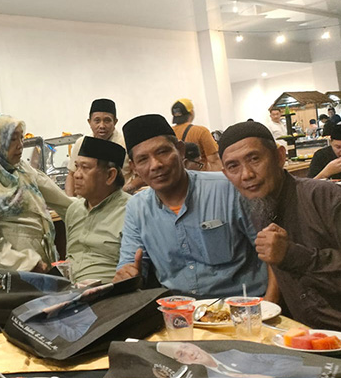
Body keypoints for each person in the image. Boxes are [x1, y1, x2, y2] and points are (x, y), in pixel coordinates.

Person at [113, 114, 272, 300]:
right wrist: (127, 274)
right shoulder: (137, 208)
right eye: (143, 160)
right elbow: (129, 263)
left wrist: (270, 305)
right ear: (134, 167)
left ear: (180, 150)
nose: (155, 165)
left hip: (244, 306)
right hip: (179, 311)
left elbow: (273, 256)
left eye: (163, 152)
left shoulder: (229, 189)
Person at [218, 121, 341, 332]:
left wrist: (292, 255)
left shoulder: (327, 198)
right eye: (233, 166)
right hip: (301, 335)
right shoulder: (259, 207)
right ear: (226, 174)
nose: (246, 174)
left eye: (254, 159)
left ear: (280, 156)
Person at [0, 113, 73, 272]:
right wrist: (28, 264)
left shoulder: (21, 169)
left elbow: (59, 199)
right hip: (12, 272)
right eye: (12, 139)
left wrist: (86, 208)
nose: (20, 145)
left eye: (21, 138)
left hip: (41, 263)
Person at [65, 136, 130, 283]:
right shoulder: (74, 210)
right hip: (70, 290)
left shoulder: (131, 211)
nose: (77, 174)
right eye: (76, 167)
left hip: (111, 292)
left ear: (110, 175)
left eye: (85, 168)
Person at [65, 98, 131, 195]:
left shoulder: (125, 144)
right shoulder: (81, 143)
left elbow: (140, 176)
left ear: (115, 122)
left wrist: (125, 191)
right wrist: (71, 200)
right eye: (97, 121)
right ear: (89, 122)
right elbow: (71, 175)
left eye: (107, 121)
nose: (102, 126)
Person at [155, 342, 322, 378]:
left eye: (186, 347)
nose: (190, 353)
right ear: (183, 363)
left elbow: (288, 360)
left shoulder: (234, 352)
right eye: (182, 354)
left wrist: (266, 376)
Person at [170, 98, 222, 171]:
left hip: (179, 176)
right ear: (191, 112)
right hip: (199, 176)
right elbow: (214, 160)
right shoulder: (201, 131)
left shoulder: (169, 133)